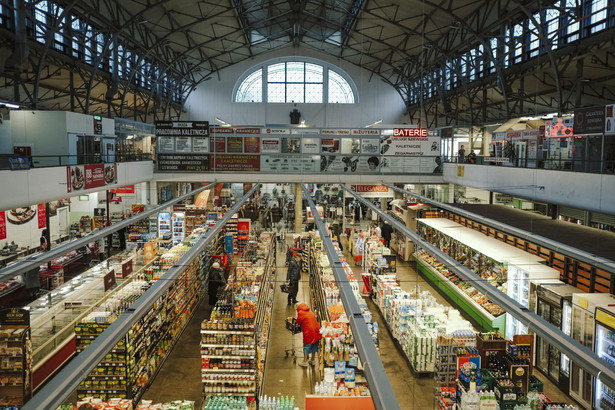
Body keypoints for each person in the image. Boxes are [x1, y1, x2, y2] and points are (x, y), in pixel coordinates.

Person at [295, 303, 322, 367]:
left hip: (309, 331)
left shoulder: (301, 312)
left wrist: (296, 323)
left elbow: (298, 321)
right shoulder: (309, 310)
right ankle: (312, 360)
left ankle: (305, 361)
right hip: (317, 330)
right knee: (314, 345)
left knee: (307, 345)